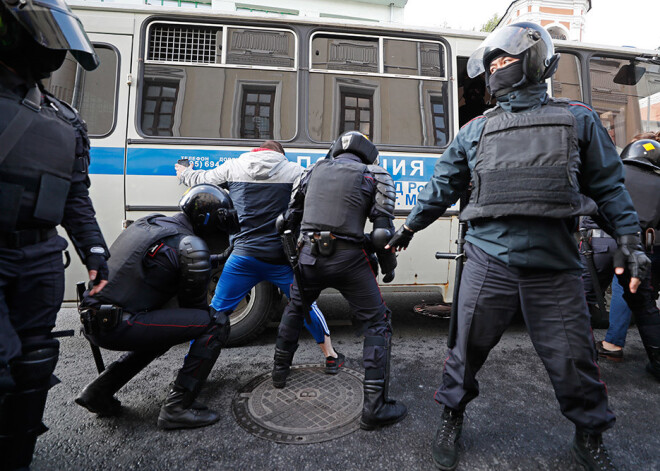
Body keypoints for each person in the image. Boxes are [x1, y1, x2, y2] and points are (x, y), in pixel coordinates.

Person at [386, 22, 651, 471]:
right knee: (465, 350)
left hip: (556, 263)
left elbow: (609, 188)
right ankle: (452, 415)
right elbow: (440, 190)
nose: (496, 69)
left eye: (505, 60)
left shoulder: (578, 118)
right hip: (490, 260)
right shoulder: (474, 131)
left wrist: (628, 239)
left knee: (574, 359)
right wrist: (407, 230)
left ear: (534, 64)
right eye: (491, 64)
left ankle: (589, 436)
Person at [0, 0, 110, 468]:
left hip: (41, 256)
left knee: (34, 362)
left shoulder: (65, 119)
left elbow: (74, 197)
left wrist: (96, 252)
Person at [272, 131, 406, 431]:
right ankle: (375, 408)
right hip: (349, 260)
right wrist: (388, 266)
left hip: (308, 257)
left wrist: (295, 256)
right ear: (369, 153)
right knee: (377, 323)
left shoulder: (313, 170)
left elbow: (286, 222)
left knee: (295, 308)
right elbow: (383, 234)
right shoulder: (376, 175)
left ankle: (279, 374)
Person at [76, 184, 235, 430]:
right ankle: (177, 408)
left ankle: (97, 392)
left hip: (96, 318)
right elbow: (195, 311)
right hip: (120, 325)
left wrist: (215, 260)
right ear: (208, 222)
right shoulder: (191, 247)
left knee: (162, 333)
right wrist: (204, 265)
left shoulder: (152, 223)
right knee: (214, 324)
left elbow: (165, 261)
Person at [176, 141, 344, 372]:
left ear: (258, 151)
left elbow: (200, 181)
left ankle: (190, 368)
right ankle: (331, 356)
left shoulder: (233, 167)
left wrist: (184, 172)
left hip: (243, 258)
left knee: (215, 313)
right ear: (280, 155)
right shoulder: (294, 171)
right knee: (307, 306)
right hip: (280, 260)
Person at [581, 132, 660, 368]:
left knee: (579, 300)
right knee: (643, 304)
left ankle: (582, 359)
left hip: (599, 244)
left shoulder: (612, 172)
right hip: (639, 248)